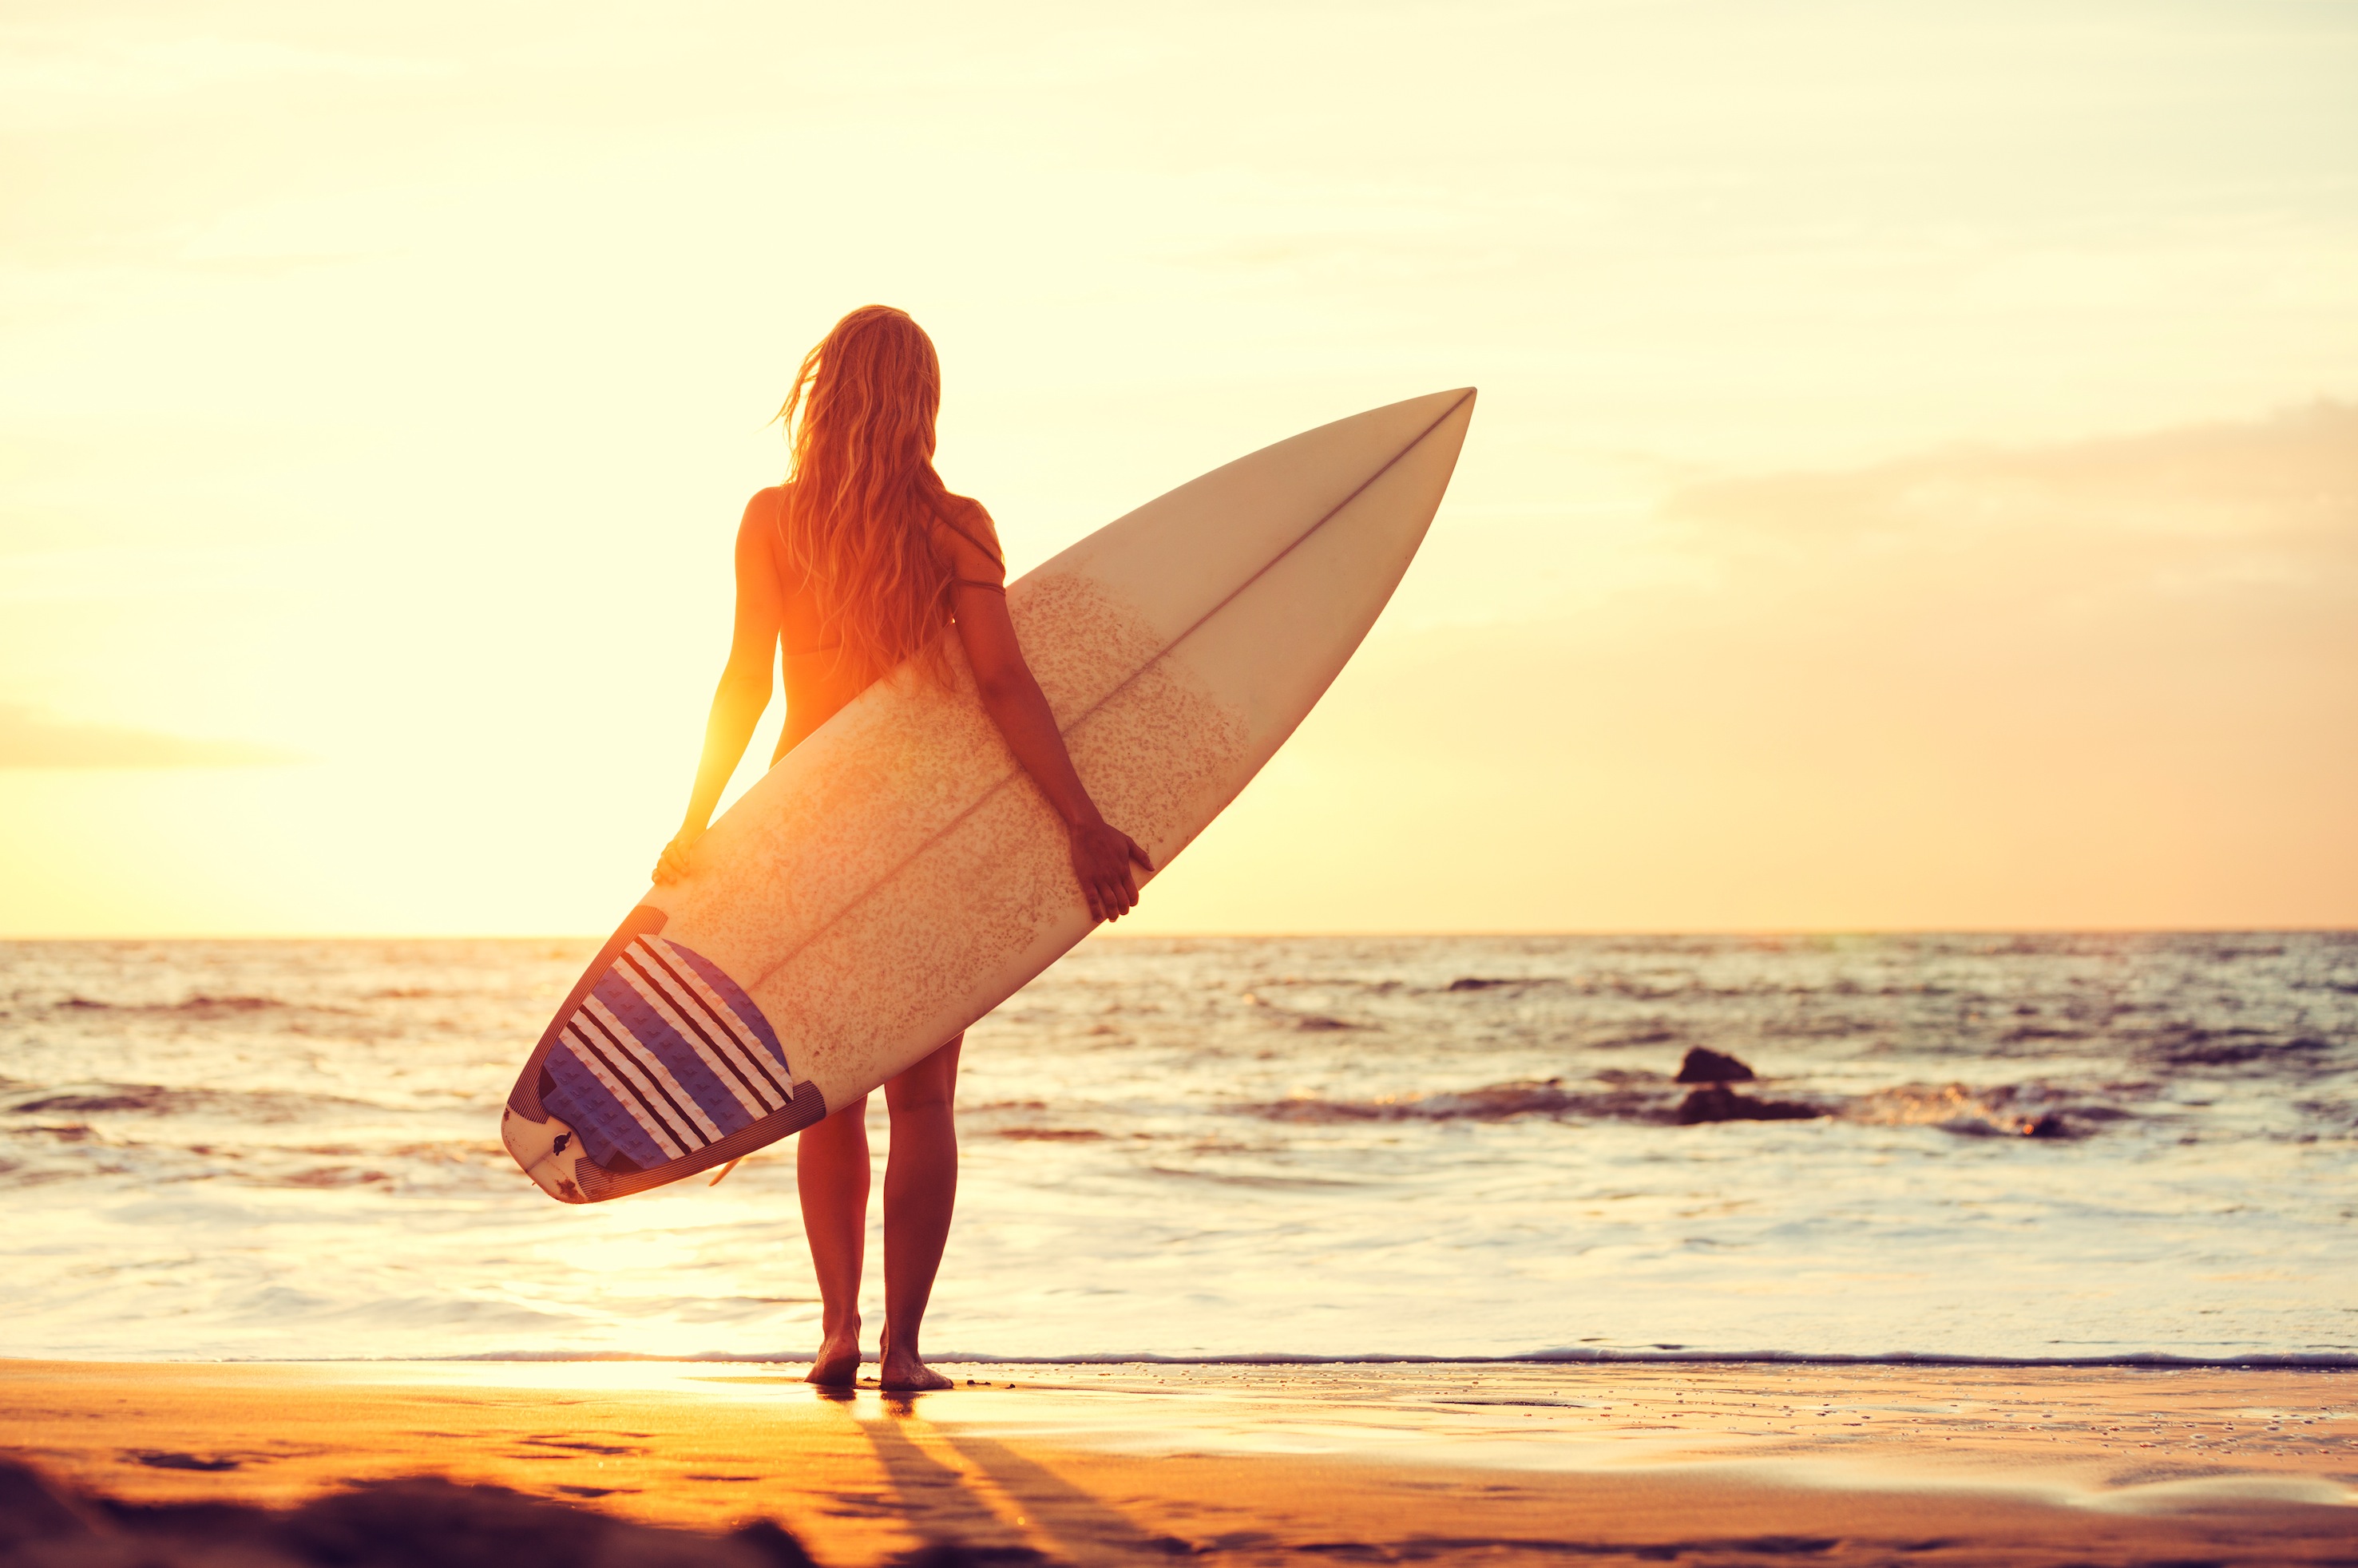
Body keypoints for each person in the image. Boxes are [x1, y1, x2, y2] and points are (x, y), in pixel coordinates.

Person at [649, 305, 1151, 1393]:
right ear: (924, 402)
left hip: (804, 820)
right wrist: (1080, 824)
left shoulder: (773, 521)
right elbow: (1004, 685)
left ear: (821, 395)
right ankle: (902, 1349)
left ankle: (833, 1331)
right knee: (921, 1097)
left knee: (827, 1085)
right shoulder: (956, 524)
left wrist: (698, 819)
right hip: (923, 828)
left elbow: (744, 679)